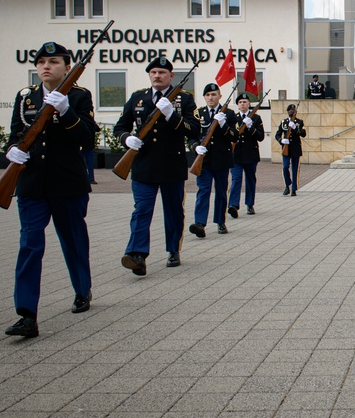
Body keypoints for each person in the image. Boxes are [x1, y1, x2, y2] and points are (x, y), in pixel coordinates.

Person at [2, 42, 98, 338]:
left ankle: (82, 290)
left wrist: (66, 111)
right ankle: (26, 314)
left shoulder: (79, 96)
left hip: (67, 183)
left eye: (53, 61)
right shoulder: (25, 98)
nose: (46, 66)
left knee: (73, 240)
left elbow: (87, 137)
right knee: (30, 246)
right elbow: (16, 133)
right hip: (31, 184)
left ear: (68, 67)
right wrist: (11, 151)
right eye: (41, 61)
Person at [114, 57, 200, 275]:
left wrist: (172, 114)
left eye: (162, 72)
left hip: (172, 164)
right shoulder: (137, 98)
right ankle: (137, 254)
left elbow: (194, 129)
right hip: (144, 165)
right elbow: (120, 127)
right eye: (153, 72)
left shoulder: (184, 99)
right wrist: (126, 139)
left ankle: (173, 250)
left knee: (173, 211)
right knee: (141, 210)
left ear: (171, 76)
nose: (157, 76)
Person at [189, 83, 237, 238]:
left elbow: (235, 136)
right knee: (203, 191)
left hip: (222, 159)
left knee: (221, 192)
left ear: (220, 96)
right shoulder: (198, 114)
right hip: (204, 160)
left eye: (214, 94)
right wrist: (195, 147)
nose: (211, 97)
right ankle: (200, 223)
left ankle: (220, 221)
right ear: (204, 97)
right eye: (208, 95)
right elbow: (191, 137)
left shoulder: (229, 114)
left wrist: (223, 124)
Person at [228, 92, 265, 217]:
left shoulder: (256, 118)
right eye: (240, 102)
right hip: (236, 155)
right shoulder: (234, 118)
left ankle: (250, 204)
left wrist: (251, 127)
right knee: (236, 179)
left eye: (245, 102)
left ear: (249, 103)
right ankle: (233, 205)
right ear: (237, 105)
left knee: (250, 180)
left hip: (250, 154)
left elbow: (260, 137)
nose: (242, 104)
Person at [276, 103, 307, 196]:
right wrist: (281, 140)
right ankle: (287, 185)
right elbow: (277, 134)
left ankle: (293, 189)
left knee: (295, 169)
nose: (291, 111)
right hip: (286, 148)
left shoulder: (299, 122)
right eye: (289, 110)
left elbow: (303, 133)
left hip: (296, 148)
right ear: (287, 111)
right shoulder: (283, 122)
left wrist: (295, 128)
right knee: (285, 167)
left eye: (293, 110)